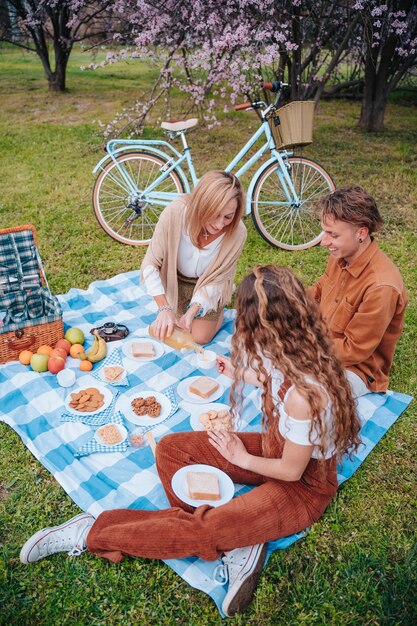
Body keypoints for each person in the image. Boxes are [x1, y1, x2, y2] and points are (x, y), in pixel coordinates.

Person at [19, 266, 361, 617]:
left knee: (205, 529)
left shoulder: (305, 396)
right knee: (171, 448)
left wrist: (239, 457)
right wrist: (238, 372)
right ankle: (238, 536)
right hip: (275, 448)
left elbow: (291, 471)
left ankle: (93, 532)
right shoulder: (292, 348)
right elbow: (272, 378)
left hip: (302, 486)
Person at [309, 185, 407, 397]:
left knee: (304, 393)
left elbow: (353, 350)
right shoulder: (342, 254)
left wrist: (302, 345)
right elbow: (318, 291)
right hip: (320, 344)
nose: (324, 242)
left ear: (361, 233)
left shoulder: (381, 286)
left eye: (332, 235)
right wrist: (284, 302)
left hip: (355, 370)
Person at [140, 170, 247, 345]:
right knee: (168, 327)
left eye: (228, 216)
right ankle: (179, 308)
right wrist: (164, 307)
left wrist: (193, 310)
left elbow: (218, 279)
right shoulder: (175, 213)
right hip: (175, 281)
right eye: (215, 214)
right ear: (201, 206)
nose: (220, 224)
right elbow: (151, 264)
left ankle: (218, 308)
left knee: (199, 337)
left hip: (209, 284)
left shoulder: (238, 233)